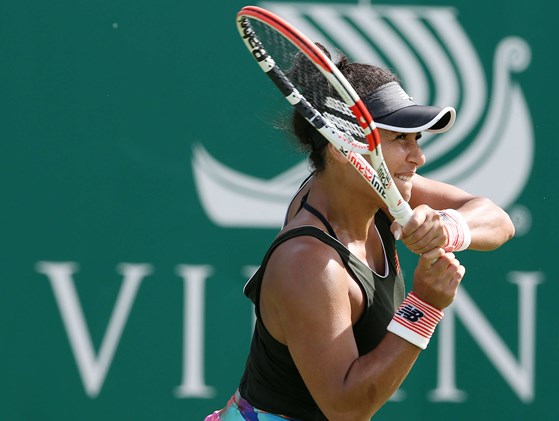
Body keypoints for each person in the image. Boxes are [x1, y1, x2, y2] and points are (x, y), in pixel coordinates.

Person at [206, 51, 515, 421]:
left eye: (416, 139)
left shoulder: (369, 189)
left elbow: (498, 221)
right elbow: (347, 408)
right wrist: (425, 305)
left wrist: (448, 228)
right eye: (400, 139)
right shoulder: (309, 263)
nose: (418, 157)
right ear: (342, 148)